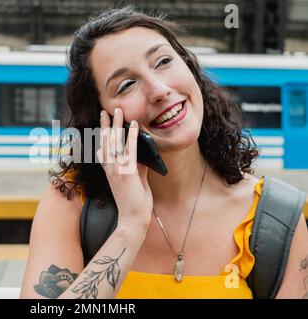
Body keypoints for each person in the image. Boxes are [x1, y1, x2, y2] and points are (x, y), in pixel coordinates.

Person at [20, 6, 308, 299]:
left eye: (164, 61)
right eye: (127, 84)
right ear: (102, 118)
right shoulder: (70, 200)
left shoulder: (276, 220)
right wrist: (131, 226)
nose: (159, 90)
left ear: (190, 68)